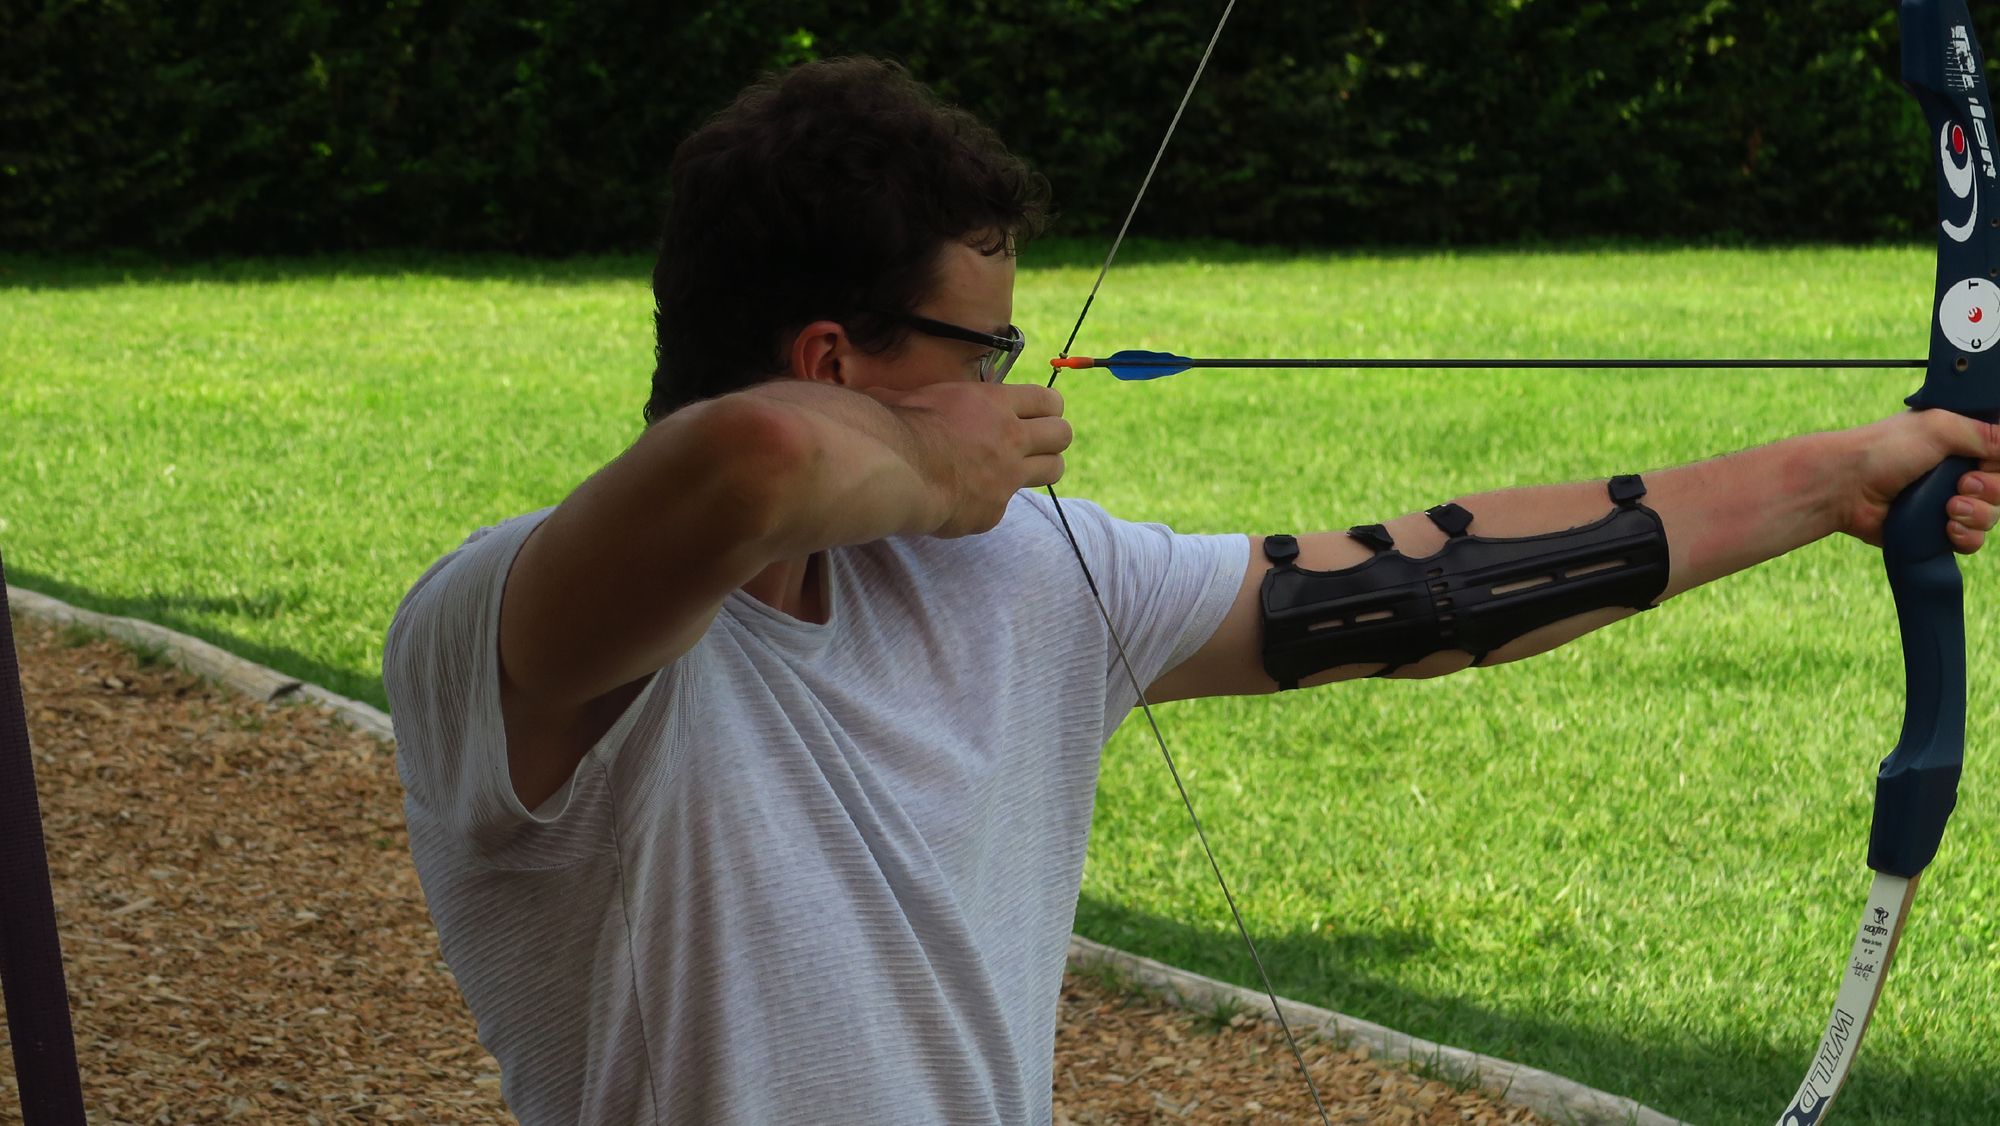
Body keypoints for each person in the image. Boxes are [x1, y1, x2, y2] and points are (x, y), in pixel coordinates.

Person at [381, 56, 2000, 1126]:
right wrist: (935, 461)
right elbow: (746, 463)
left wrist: (1830, 480)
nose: (1020, 389)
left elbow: (1422, 590)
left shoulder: (1005, 577)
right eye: (986, 351)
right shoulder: (517, 626)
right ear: (834, 358)